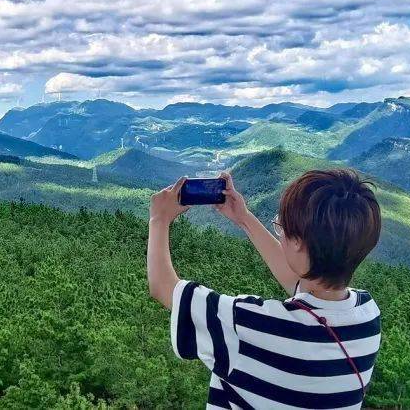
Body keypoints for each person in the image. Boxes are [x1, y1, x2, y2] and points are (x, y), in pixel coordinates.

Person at [147, 170, 382, 410]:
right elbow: (303, 284)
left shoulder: (250, 325)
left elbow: (163, 287)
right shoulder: (367, 317)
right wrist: (244, 218)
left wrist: (159, 219)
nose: (280, 234)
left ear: (299, 242)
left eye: (281, 227)